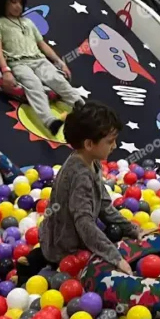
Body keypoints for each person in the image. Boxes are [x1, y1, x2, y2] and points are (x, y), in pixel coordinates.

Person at [15, 102, 141, 281]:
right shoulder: (80, 176)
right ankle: (32, 268)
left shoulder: (91, 161)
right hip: (65, 245)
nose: (114, 146)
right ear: (89, 144)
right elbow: (85, 223)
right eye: (110, 141)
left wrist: (131, 229)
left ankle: (36, 261)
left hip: (66, 234)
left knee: (113, 232)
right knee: (64, 274)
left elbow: (104, 203)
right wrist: (116, 258)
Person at [0, 0, 85, 135]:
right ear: (2, 2)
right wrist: (6, 71)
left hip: (40, 60)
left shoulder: (28, 22)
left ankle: (79, 104)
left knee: (57, 79)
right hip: (19, 63)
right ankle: (49, 120)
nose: (17, 6)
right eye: (13, 2)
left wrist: (59, 62)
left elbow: (43, 45)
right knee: (34, 86)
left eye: (20, 2)